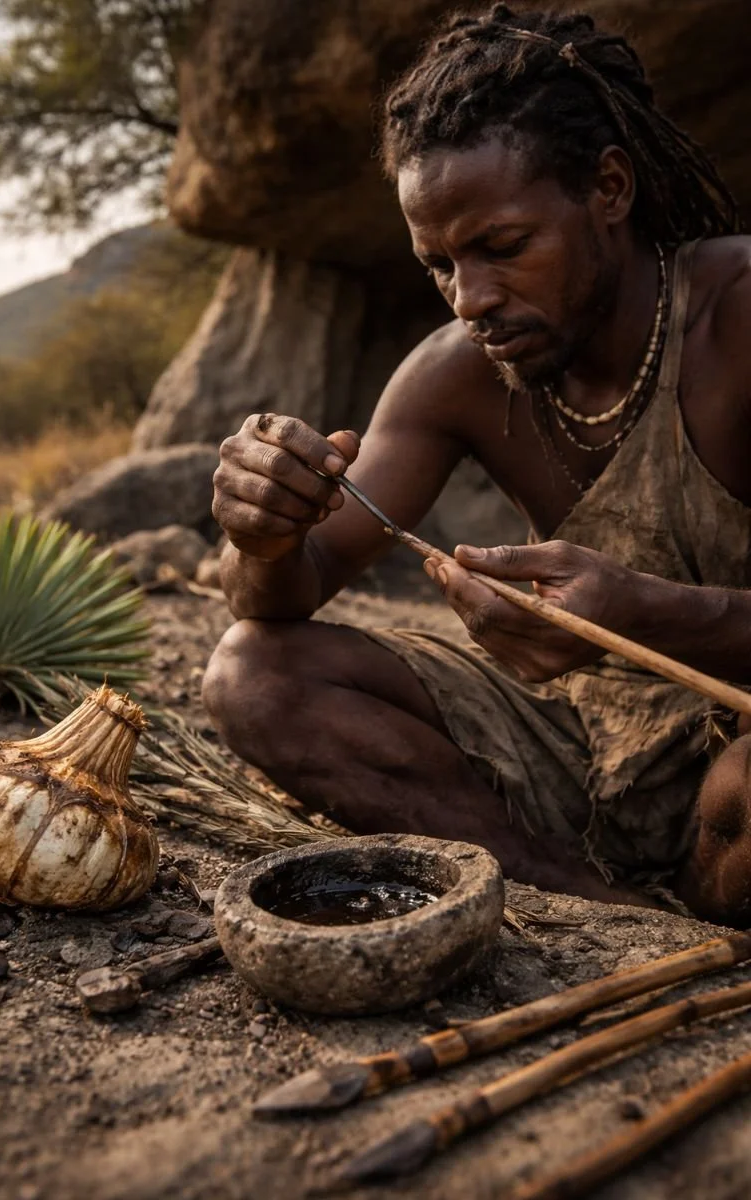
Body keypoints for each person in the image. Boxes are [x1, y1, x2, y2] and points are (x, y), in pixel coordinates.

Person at [202, 4, 751, 925]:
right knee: (250, 675)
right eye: (440, 266)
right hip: (580, 739)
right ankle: (595, 908)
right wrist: (262, 533)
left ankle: (708, 892)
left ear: (609, 190)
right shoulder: (458, 374)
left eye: (502, 248)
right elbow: (287, 594)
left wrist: (645, 614)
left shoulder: (735, 319)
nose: (472, 299)